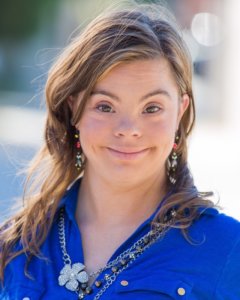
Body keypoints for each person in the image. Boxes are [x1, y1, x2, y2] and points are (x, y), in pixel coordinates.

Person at [1, 3, 240, 300]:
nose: (128, 129)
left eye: (152, 108)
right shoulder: (16, 245)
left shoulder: (228, 249)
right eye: (105, 106)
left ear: (180, 111)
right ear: (74, 108)